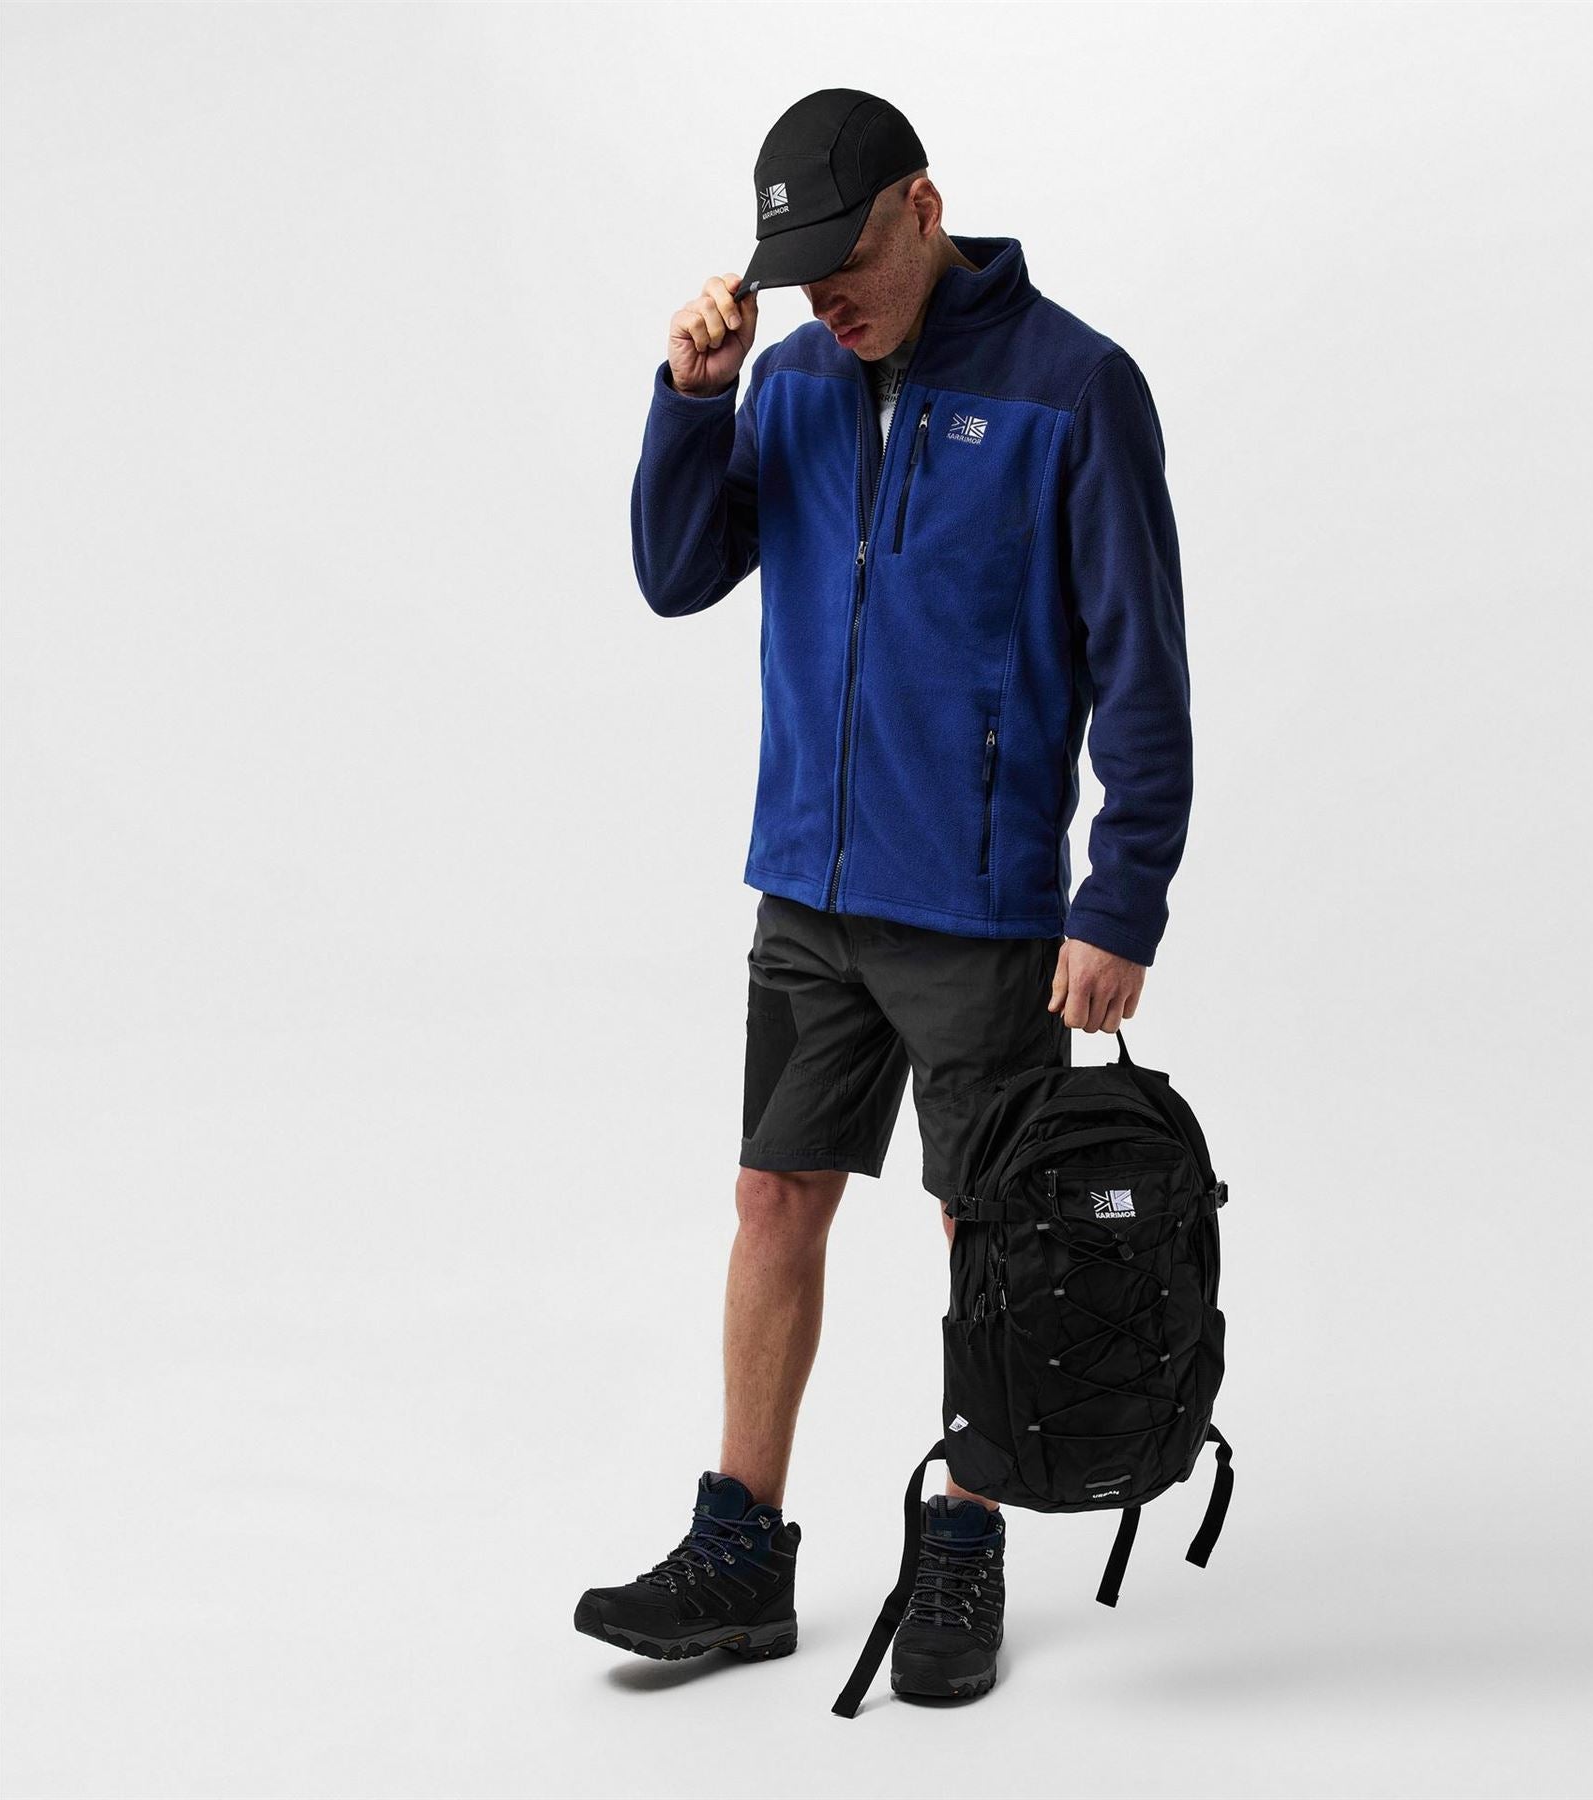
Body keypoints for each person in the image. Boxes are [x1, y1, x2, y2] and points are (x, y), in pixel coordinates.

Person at [576, 87, 1192, 1705]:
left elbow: (1143, 666)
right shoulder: (787, 380)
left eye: (847, 264)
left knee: (987, 1224)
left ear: (923, 208)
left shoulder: (1074, 389)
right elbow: (675, 574)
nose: (827, 300)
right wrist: (691, 400)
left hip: (981, 912)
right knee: (772, 1199)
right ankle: (739, 1550)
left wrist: (1120, 897)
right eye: (800, 276)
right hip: (807, 890)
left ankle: (964, 1540)